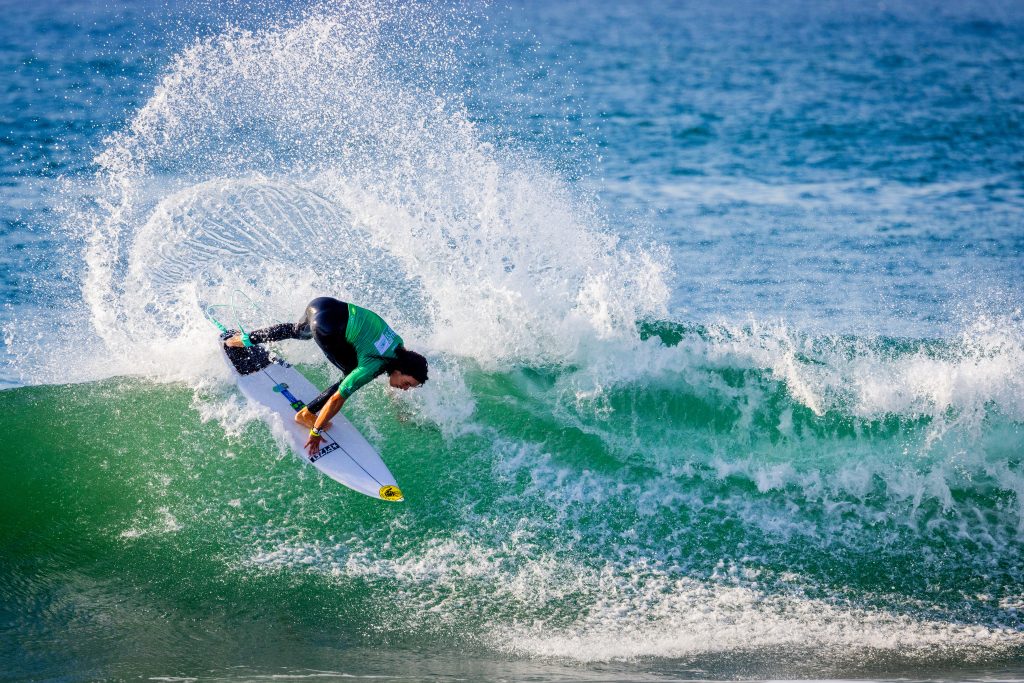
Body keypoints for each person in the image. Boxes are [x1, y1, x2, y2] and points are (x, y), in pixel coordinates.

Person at [224, 296, 428, 456]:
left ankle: (243, 340)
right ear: (400, 370)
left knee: (297, 331)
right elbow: (338, 398)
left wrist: (398, 407)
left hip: (323, 305)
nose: (405, 388)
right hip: (328, 329)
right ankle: (306, 415)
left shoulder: (398, 345)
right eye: (407, 383)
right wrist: (316, 432)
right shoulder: (373, 366)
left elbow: (388, 368)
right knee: (349, 376)